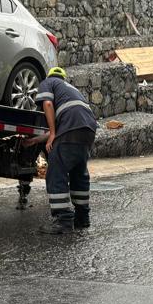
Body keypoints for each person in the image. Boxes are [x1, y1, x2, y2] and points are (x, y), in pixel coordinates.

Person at [31, 67, 98, 234]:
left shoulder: (48, 82)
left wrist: (53, 133)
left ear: (50, 76)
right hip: (88, 129)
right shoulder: (70, 90)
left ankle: (63, 220)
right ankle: (82, 218)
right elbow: (63, 124)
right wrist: (35, 140)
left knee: (56, 171)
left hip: (70, 128)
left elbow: (46, 103)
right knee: (78, 171)